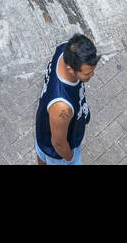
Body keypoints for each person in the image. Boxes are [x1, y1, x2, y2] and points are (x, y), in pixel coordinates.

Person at [35, 34, 98, 166]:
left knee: (42, 157)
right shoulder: (62, 107)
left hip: (44, 132)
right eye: (87, 73)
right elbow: (58, 143)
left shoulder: (65, 49)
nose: (92, 75)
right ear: (70, 69)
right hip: (57, 154)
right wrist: (70, 158)